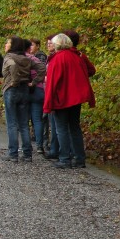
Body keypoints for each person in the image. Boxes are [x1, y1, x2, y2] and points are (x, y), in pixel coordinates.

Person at [43, 33, 96, 169]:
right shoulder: (77, 56)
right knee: (74, 127)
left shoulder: (58, 59)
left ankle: (65, 158)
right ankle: (79, 158)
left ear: (58, 44)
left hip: (62, 98)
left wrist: (48, 103)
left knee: (61, 128)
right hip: (76, 97)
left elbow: (52, 83)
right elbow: (88, 71)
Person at [1, 36, 45, 163]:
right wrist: (35, 82)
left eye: (8, 43)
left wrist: (14, 81)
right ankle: (27, 153)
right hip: (25, 90)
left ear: (13, 45)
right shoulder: (27, 58)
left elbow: (13, 66)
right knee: (24, 123)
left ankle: (13, 153)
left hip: (11, 89)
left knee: (12, 123)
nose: (6, 45)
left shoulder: (9, 57)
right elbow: (42, 68)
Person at [25, 39, 46, 154]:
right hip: (38, 89)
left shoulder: (23, 58)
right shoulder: (35, 59)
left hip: (27, 91)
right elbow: (43, 69)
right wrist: (35, 81)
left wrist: (31, 82)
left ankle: (26, 146)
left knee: (25, 120)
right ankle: (39, 146)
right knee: (37, 120)